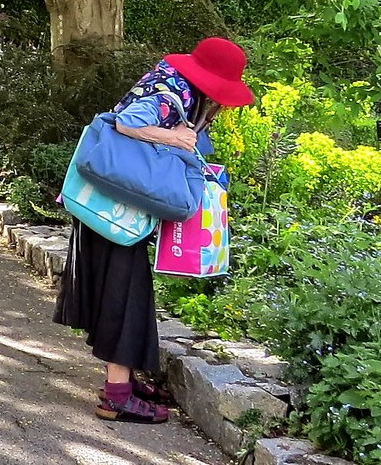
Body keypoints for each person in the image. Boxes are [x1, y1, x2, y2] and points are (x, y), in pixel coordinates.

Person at [54, 36, 253, 424]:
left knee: (127, 291)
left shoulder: (174, 85)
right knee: (123, 294)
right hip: (117, 211)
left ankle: (123, 379)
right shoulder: (170, 92)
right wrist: (176, 137)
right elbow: (127, 123)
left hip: (113, 202)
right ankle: (117, 396)